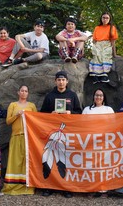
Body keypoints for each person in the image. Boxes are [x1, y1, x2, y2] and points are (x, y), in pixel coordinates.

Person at [40, 70, 82, 198]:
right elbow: (41, 115)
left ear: (67, 81)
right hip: (52, 134)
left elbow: (79, 113)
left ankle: (66, 187)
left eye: (63, 80)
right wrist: (50, 115)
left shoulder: (73, 95)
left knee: (65, 161)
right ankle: (49, 186)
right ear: (55, 81)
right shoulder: (49, 96)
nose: (61, 82)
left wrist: (71, 114)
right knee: (49, 159)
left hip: (68, 134)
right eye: (59, 79)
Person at [2, 85, 37, 195]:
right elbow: (8, 121)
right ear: (18, 92)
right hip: (16, 136)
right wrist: (17, 115)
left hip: (28, 138)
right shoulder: (13, 105)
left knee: (26, 161)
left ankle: (27, 186)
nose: (23, 92)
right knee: (14, 161)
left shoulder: (32, 106)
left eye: (26, 91)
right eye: (22, 90)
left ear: (28, 93)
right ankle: (12, 185)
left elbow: (36, 121)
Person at [82, 88, 114, 197]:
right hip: (90, 141)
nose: (98, 97)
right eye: (96, 95)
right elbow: (81, 124)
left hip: (104, 142)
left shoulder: (108, 109)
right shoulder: (87, 110)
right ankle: (91, 189)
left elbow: (115, 125)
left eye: (100, 95)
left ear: (104, 97)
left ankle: (103, 190)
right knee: (91, 166)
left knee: (103, 166)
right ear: (93, 97)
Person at [89, 12, 118, 84]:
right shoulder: (97, 28)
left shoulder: (112, 27)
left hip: (107, 44)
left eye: (107, 18)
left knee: (105, 55)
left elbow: (113, 41)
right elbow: (94, 40)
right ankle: (95, 76)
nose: (105, 19)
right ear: (101, 19)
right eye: (103, 18)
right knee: (97, 55)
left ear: (109, 19)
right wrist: (96, 48)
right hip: (98, 44)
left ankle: (104, 75)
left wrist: (114, 54)